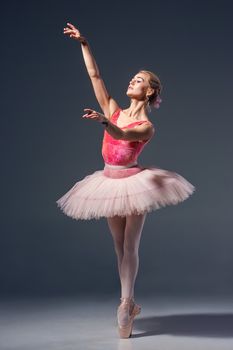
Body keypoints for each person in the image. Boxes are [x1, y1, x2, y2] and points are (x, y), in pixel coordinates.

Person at [56, 22, 196, 338]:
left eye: (140, 80)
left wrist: (105, 122)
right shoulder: (113, 108)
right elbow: (95, 77)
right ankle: (129, 305)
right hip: (108, 181)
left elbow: (121, 133)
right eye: (133, 77)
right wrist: (84, 44)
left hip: (135, 184)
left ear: (150, 91)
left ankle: (124, 304)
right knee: (118, 246)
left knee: (131, 245)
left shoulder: (146, 125)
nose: (133, 80)